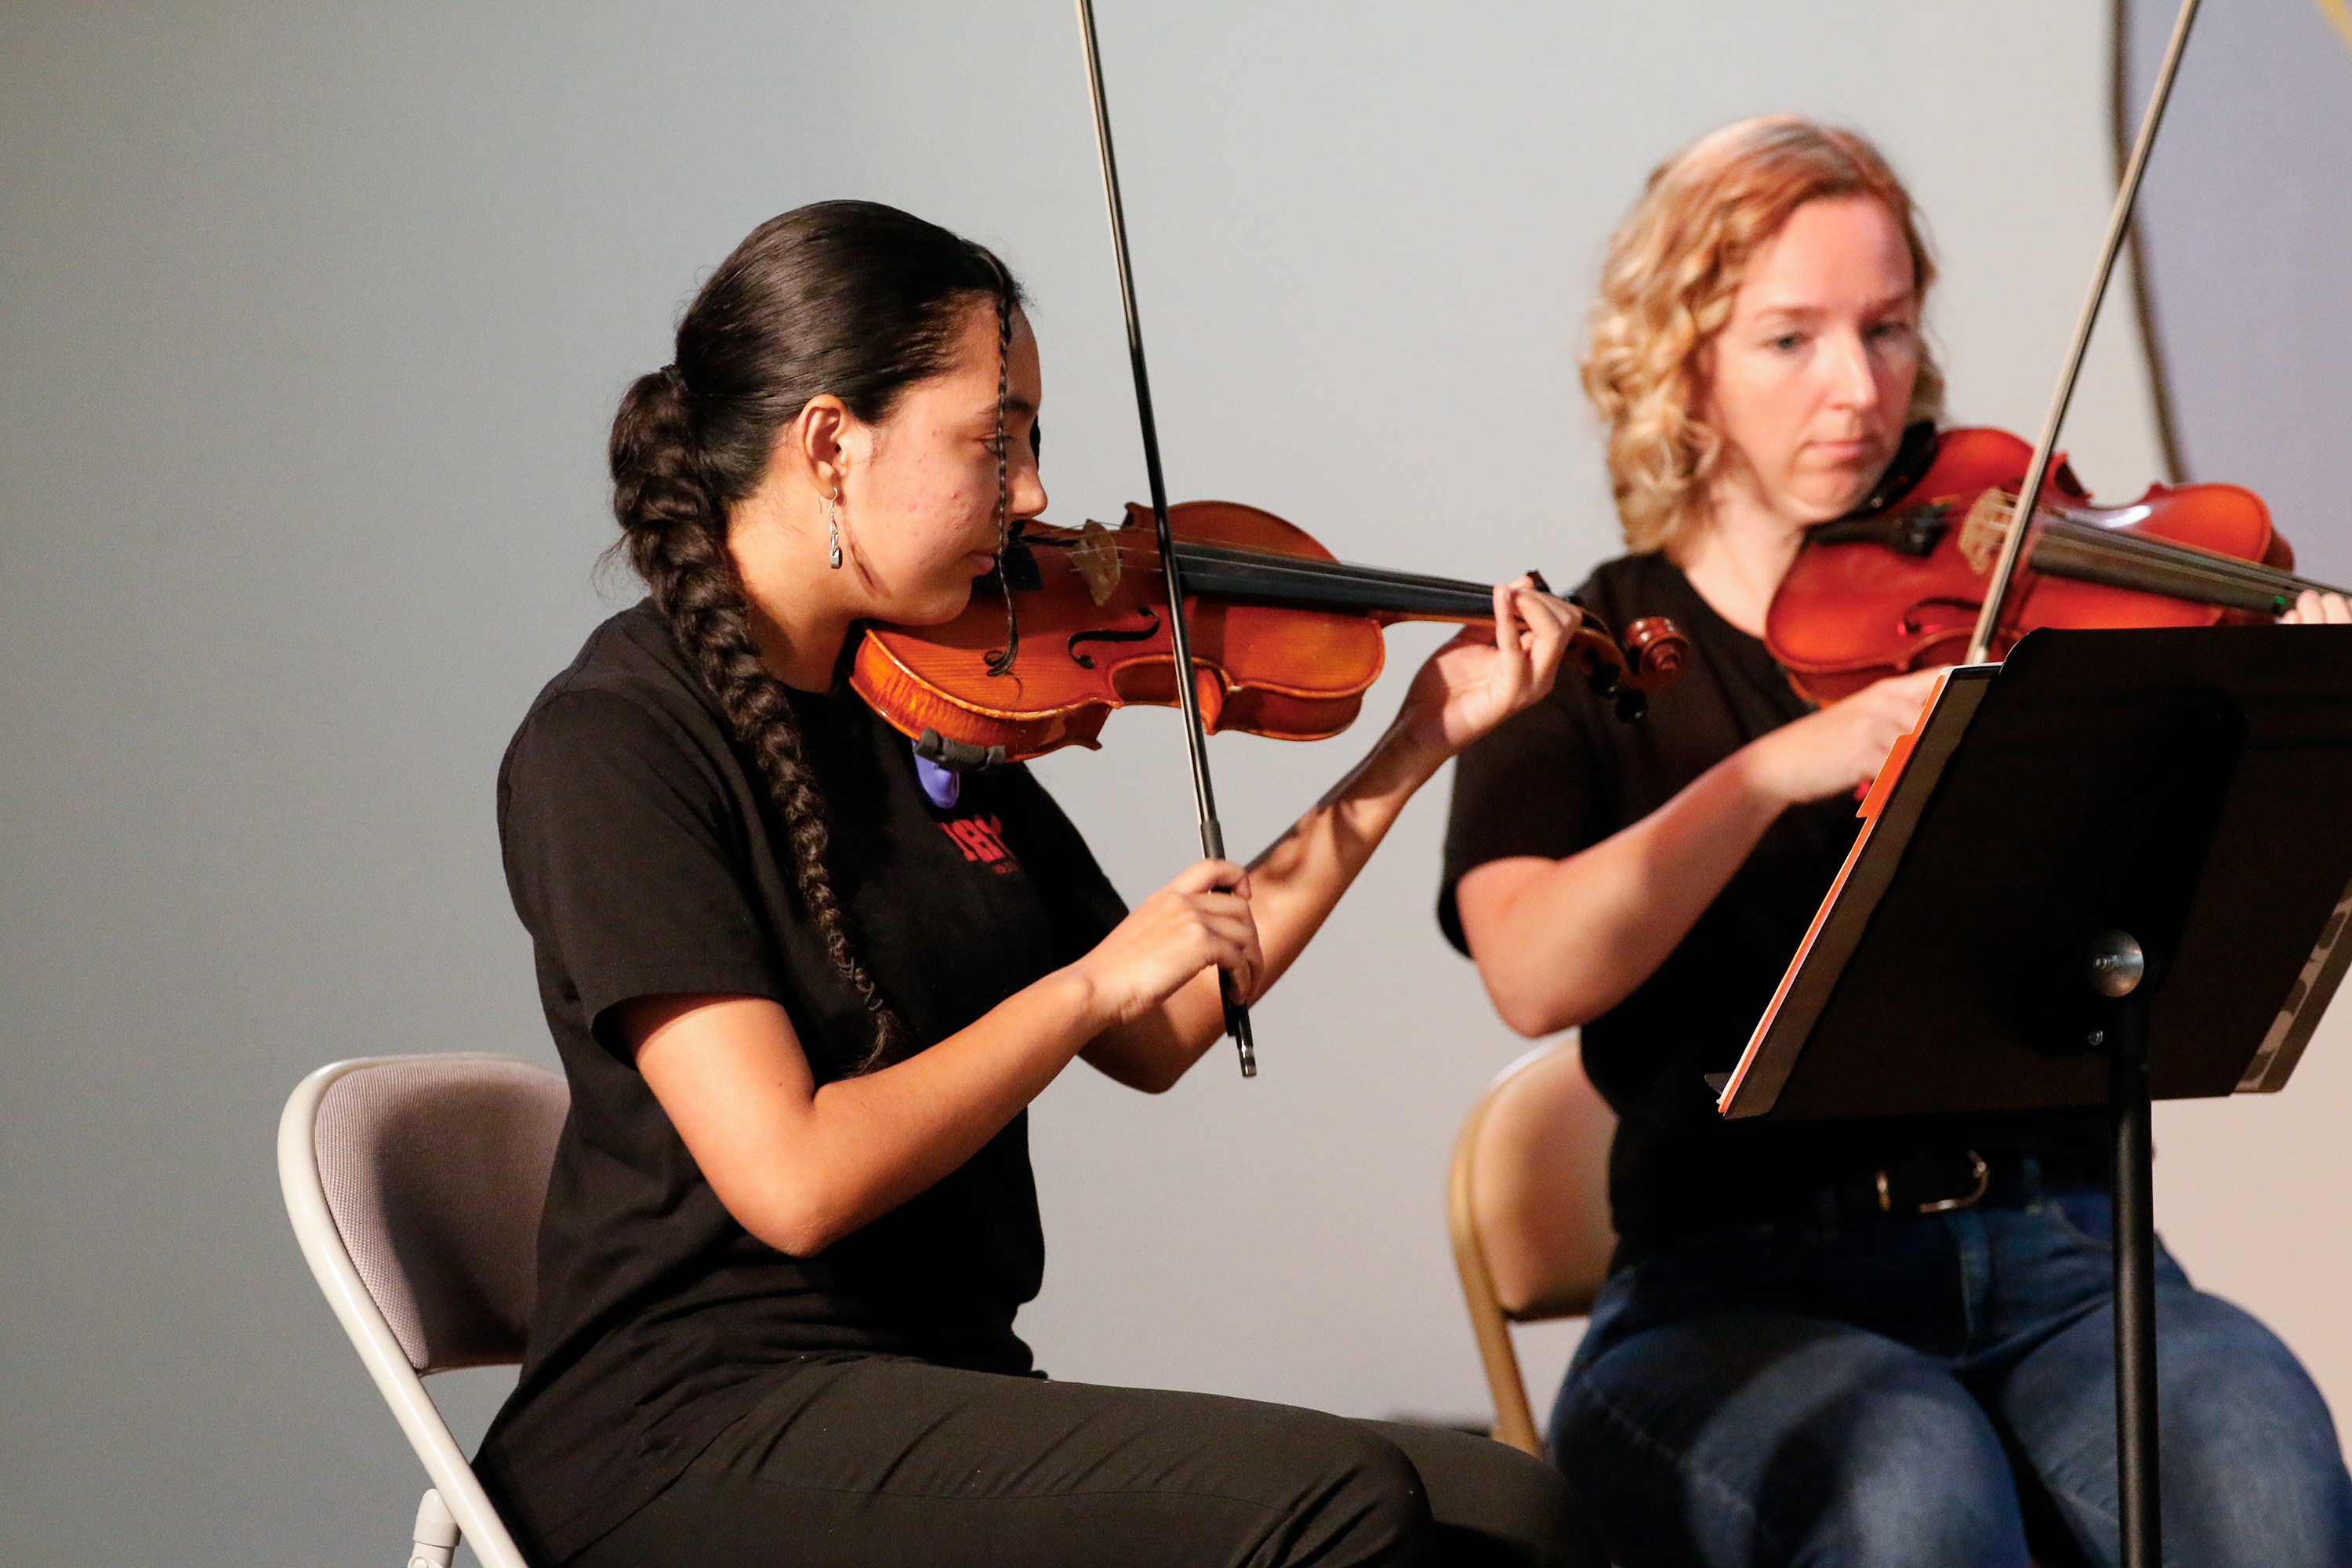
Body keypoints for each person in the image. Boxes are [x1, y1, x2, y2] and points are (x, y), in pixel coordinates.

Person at [473, 199, 1602, 1568]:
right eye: (993, 440)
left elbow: (1166, 1021)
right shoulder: (615, 743)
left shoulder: (919, 696)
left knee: (1516, 1515)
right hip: (685, 1434)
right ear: (832, 443)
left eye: (1032, 444)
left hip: (933, 1385)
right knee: (1338, 1507)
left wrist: (1416, 740)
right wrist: (1081, 987)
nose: (1029, 499)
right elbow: (795, 1181)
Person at [1439, 117, 2352, 1568]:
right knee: (1908, 1494)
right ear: (1682, 357)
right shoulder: (1587, 649)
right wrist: (1774, 770)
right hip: (1727, 1288)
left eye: (1889, 331)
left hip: (2060, 1258)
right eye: (1791, 340)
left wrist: (2277, 699)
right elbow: (1530, 968)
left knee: (2265, 1473)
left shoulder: (1998, 605)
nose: (1857, 392)